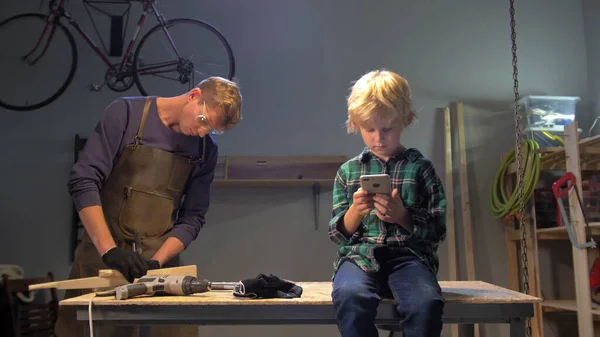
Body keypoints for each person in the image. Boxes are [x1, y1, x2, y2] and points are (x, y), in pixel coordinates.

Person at [54, 76, 243, 337]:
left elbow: (193, 218)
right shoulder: (126, 114)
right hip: (102, 259)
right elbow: (83, 181)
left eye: (211, 130)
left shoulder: (205, 150)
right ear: (194, 95)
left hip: (159, 267)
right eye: (203, 121)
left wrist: (156, 262)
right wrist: (109, 251)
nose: (202, 133)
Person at [328, 69, 447, 337]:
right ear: (355, 124)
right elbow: (337, 235)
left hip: (410, 257)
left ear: (406, 120)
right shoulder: (348, 172)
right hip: (359, 258)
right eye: (369, 129)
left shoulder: (421, 169)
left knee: (426, 304)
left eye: (387, 129)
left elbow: (438, 230)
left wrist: (403, 217)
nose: (378, 138)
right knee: (350, 297)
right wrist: (355, 212)